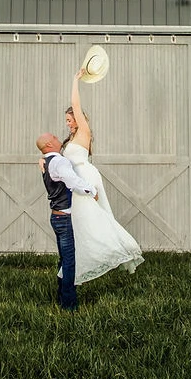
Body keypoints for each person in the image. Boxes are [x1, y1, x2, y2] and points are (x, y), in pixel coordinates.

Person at [61, 68, 144, 284]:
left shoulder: (83, 132)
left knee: (92, 218)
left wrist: (75, 80)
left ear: (79, 119)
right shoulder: (71, 139)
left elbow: (76, 105)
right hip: (75, 180)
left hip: (85, 176)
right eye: (67, 120)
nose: (68, 123)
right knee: (82, 221)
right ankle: (77, 261)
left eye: (70, 119)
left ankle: (113, 250)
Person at [35, 132, 98, 311]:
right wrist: (92, 191)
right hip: (64, 217)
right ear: (48, 145)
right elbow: (72, 181)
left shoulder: (47, 162)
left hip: (56, 217)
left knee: (64, 259)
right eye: (53, 138)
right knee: (69, 261)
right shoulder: (59, 162)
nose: (57, 138)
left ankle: (61, 296)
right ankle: (69, 305)